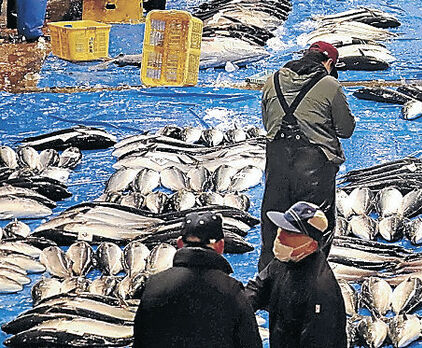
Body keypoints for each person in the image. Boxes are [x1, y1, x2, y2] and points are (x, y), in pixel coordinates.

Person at [259, 41, 355, 270]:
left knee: (273, 225)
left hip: (278, 166)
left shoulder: (271, 81)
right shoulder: (330, 84)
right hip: (315, 170)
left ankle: (268, 286)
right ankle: (310, 285)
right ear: (330, 63)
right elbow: (346, 130)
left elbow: (267, 123)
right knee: (314, 229)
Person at [133, 211, 263, 348]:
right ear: (220, 246)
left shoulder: (154, 284)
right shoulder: (232, 291)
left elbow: (140, 339)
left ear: (179, 244)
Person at [245, 201, 346, 348]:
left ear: (312, 245)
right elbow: (259, 287)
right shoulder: (287, 259)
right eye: (282, 227)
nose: (280, 235)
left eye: (290, 232)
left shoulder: (321, 290)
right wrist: (235, 305)